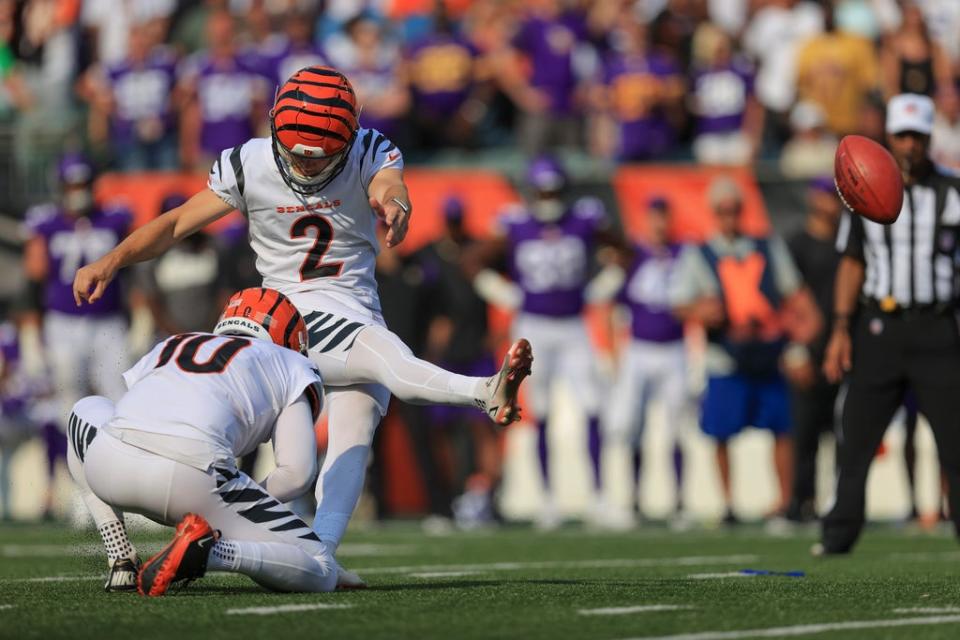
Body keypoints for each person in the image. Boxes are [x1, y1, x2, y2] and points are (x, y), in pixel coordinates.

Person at [72, 65, 533, 585]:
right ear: (273, 127)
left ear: (350, 137)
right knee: (387, 362)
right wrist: (112, 260)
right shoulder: (249, 162)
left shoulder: (369, 148)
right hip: (283, 319)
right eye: (293, 153)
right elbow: (177, 222)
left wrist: (394, 203)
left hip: (350, 307)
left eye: (321, 156)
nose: (306, 167)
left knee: (355, 434)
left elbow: (389, 182)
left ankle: (319, 555)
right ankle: (483, 390)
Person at [66, 287, 335, 595]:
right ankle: (210, 552)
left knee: (84, 409)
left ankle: (120, 559)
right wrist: (239, 516)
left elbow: (134, 411)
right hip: (193, 480)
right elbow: (297, 473)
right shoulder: (290, 362)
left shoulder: (175, 342)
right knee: (323, 568)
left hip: (109, 467)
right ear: (288, 338)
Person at [818, 93, 960, 554]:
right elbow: (852, 262)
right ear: (889, 137)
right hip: (879, 327)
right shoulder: (864, 187)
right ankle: (838, 536)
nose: (910, 145)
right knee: (856, 438)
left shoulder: (953, 192)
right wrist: (841, 328)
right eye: (902, 135)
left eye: (918, 136)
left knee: (956, 445)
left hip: (938, 328)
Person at [670, 176, 819, 524]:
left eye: (734, 210)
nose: (729, 218)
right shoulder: (698, 253)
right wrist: (701, 313)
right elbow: (679, 304)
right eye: (722, 211)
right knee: (721, 431)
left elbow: (797, 299)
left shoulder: (766, 247)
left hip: (768, 350)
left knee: (782, 430)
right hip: (725, 355)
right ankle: (728, 503)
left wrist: (800, 344)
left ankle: (783, 502)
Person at [475, 155, 611, 529]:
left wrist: (602, 287)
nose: (548, 196)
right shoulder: (516, 224)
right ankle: (548, 499)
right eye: (543, 189)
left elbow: (622, 251)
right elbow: (475, 262)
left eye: (553, 189)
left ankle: (599, 496)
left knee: (593, 405)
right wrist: (505, 293)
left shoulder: (583, 220)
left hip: (573, 325)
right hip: (533, 326)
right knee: (542, 412)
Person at [22, 152, 131, 432]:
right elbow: (34, 277)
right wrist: (31, 328)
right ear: (60, 187)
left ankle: (117, 464)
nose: (78, 191)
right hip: (63, 322)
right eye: (72, 185)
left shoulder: (114, 216)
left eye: (83, 184)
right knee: (69, 395)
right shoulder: (45, 222)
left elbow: (132, 267)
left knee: (118, 394)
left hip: (108, 319)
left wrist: (139, 311)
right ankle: (72, 465)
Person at [604, 197, 689, 526]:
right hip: (638, 349)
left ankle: (679, 501)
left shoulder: (684, 254)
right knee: (632, 428)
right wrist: (614, 353)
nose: (659, 225)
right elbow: (613, 307)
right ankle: (635, 498)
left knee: (678, 427)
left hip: (675, 349)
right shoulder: (633, 257)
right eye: (654, 218)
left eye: (663, 218)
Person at [783, 177, 843, 523]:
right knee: (804, 432)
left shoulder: (847, 242)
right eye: (824, 195)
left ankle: (839, 502)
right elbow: (787, 301)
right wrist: (795, 350)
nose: (829, 202)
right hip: (809, 348)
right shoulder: (797, 243)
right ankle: (800, 500)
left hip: (841, 348)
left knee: (843, 431)